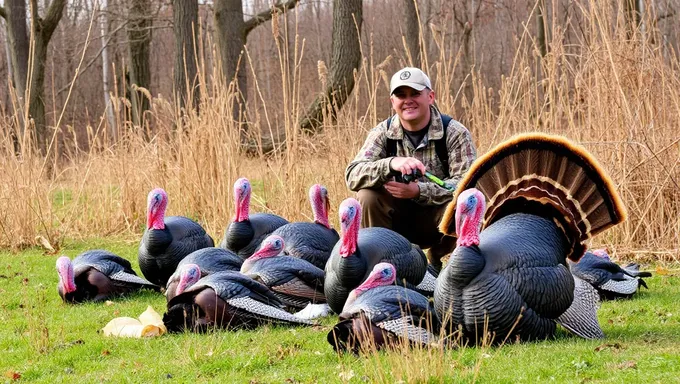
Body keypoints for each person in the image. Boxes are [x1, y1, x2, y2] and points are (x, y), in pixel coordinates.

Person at [344, 67, 477, 270]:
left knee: (466, 204)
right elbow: (352, 175)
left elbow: (467, 185)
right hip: (396, 222)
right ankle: (381, 266)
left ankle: (453, 268)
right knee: (366, 196)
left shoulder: (454, 133)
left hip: (437, 224)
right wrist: (390, 164)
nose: (408, 100)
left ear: (430, 96)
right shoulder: (382, 133)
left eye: (415, 93)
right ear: (393, 102)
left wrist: (419, 191)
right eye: (401, 95)